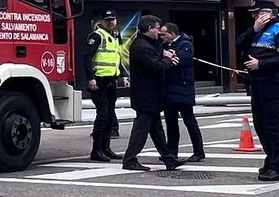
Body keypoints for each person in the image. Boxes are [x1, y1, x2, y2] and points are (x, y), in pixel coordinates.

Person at [236, 1, 279, 182]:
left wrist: (260, 64)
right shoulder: (258, 30)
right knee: (260, 124)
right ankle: (270, 160)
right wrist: (254, 29)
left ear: (269, 12)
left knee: (271, 125)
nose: (255, 16)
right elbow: (238, 44)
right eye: (253, 14)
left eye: (258, 13)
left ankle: (277, 168)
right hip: (256, 82)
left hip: (272, 81)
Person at [120, 15, 182, 173]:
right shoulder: (141, 46)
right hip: (146, 95)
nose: (159, 33)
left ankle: (169, 159)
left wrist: (163, 55)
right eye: (157, 28)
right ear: (149, 29)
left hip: (150, 94)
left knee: (156, 129)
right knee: (141, 130)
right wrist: (168, 60)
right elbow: (156, 67)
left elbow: (155, 57)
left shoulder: (147, 44)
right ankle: (129, 159)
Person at [161, 23, 205, 163]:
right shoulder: (164, 46)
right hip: (168, 90)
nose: (162, 37)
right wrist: (167, 56)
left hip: (183, 88)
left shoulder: (185, 44)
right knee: (170, 123)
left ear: (173, 33)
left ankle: (198, 151)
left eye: (164, 34)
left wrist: (167, 58)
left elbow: (179, 61)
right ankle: (171, 152)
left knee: (189, 121)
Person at [83, 10, 123, 162]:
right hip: (98, 81)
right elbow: (87, 57)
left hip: (111, 81)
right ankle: (96, 150)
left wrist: (121, 76)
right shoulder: (97, 35)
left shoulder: (114, 36)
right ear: (102, 21)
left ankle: (106, 148)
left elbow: (116, 58)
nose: (110, 22)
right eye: (107, 20)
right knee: (103, 115)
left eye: (112, 19)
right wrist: (90, 79)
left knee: (110, 114)